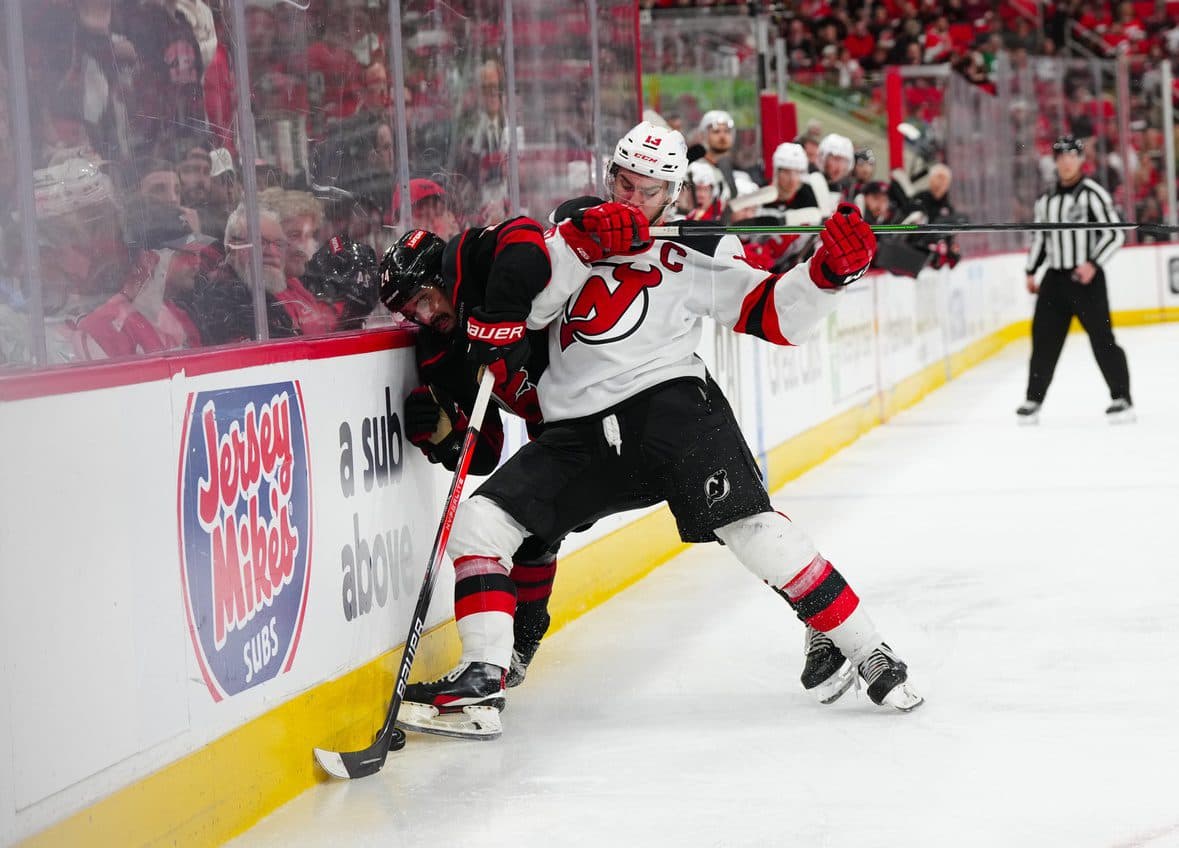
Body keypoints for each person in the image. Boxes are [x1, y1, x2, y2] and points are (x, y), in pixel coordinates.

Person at [398, 121, 923, 739]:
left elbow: (773, 313)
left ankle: (870, 650)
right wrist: (579, 240)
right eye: (623, 182)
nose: (630, 199)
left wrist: (829, 275)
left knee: (753, 530)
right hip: (578, 433)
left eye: (648, 191)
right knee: (480, 523)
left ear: (672, 194)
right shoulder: (564, 235)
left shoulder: (695, 249)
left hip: (672, 408)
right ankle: (483, 679)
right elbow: (527, 304)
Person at [377, 218, 562, 690]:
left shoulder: (475, 266)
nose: (422, 317)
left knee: (532, 518)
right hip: (557, 431)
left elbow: (524, 232)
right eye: (409, 312)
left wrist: (499, 315)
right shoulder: (439, 351)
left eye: (421, 299)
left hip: (602, 407)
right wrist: (447, 436)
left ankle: (510, 645)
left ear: (440, 277)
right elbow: (486, 453)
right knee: (532, 523)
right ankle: (519, 640)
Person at [1019, 136, 1133, 424]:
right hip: (1054, 280)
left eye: (1072, 156)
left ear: (1081, 160)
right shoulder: (1046, 200)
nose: (1067, 162)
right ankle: (1033, 399)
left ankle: (1121, 397)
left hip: (1086, 281)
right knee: (1043, 341)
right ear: (1056, 162)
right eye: (1061, 157)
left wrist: (1093, 263)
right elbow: (1041, 238)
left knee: (1102, 339)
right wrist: (1031, 270)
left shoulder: (1093, 193)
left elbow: (1115, 232)